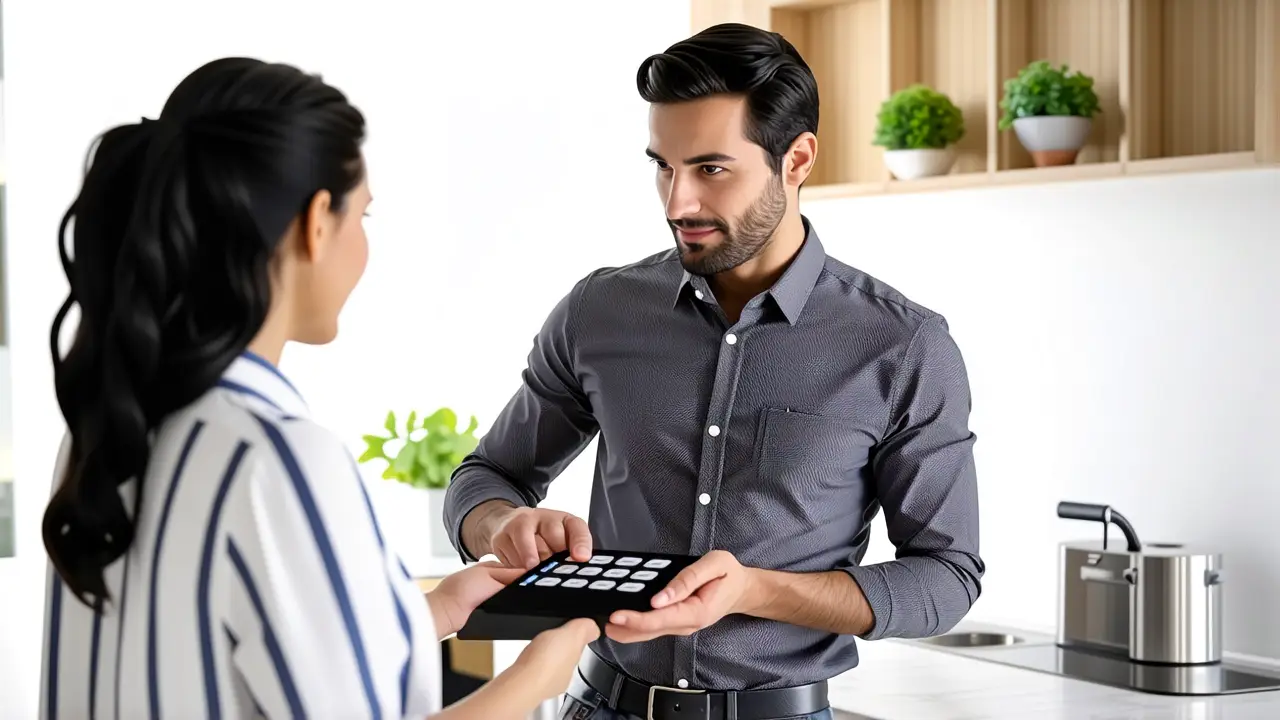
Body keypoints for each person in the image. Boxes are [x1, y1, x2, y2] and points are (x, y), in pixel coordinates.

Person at [443, 22, 986, 720]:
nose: (678, 204)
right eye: (662, 167)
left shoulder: (902, 345)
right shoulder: (599, 311)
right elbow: (483, 478)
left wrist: (752, 589)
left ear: (797, 159)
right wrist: (500, 526)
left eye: (711, 169)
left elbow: (945, 576)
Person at [36, 56, 599, 720]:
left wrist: (435, 611)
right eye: (363, 215)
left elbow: (212, 656)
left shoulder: (105, 431)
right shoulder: (277, 457)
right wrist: (537, 678)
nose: (364, 243)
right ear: (316, 222)